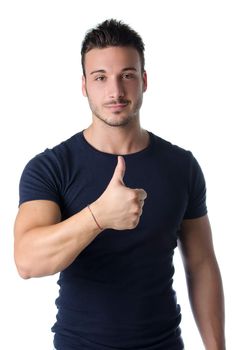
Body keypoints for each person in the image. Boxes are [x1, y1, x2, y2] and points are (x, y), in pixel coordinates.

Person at [14, 19, 225, 350]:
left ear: (143, 80)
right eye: (101, 78)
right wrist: (98, 216)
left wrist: (217, 347)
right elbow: (27, 261)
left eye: (127, 75)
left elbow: (201, 265)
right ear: (84, 85)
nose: (115, 91)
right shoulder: (51, 167)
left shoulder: (181, 166)